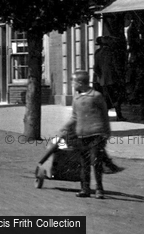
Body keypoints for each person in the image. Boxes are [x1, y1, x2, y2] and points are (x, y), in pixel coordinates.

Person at [60, 70, 111, 199]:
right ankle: (85, 188)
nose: (72, 84)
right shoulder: (76, 99)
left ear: (80, 82)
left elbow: (105, 115)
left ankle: (99, 189)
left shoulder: (96, 96)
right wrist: (65, 127)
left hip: (96, 134)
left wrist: (107, 132)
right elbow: (74, 117)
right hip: (81, 135)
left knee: (96, 162)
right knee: (84, 163)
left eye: (73, 81)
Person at [93, 36, 126, 121]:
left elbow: (96, 68)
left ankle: (104, 116)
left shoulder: (97, 53)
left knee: (106, 98)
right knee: (116, 97)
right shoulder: (111, 52)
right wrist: (120, 77)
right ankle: (119, 115)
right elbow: (115, 66)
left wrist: (101, 77)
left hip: (103, 80)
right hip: (113, 79)